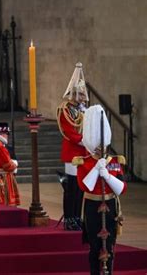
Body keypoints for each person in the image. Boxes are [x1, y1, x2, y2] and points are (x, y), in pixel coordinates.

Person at [74, 105, 126, 275]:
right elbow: (84, 186)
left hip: (110, 205)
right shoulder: (84, 162)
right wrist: (96, 169)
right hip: (92, 207)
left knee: (109, 244)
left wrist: (108, 175)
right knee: (95, 247)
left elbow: (121, 188)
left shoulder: (114, 161)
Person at [56, 62, 89, 230]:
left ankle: (77, 216)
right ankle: (69, 218)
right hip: (72, 152)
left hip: (83, 153)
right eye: (80, 93)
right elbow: (68, 131)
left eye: (83, 94)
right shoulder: (65, 110)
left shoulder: (84, 110)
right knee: (71, 187)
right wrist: (83, 139)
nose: (83, 97)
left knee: (80, 187)